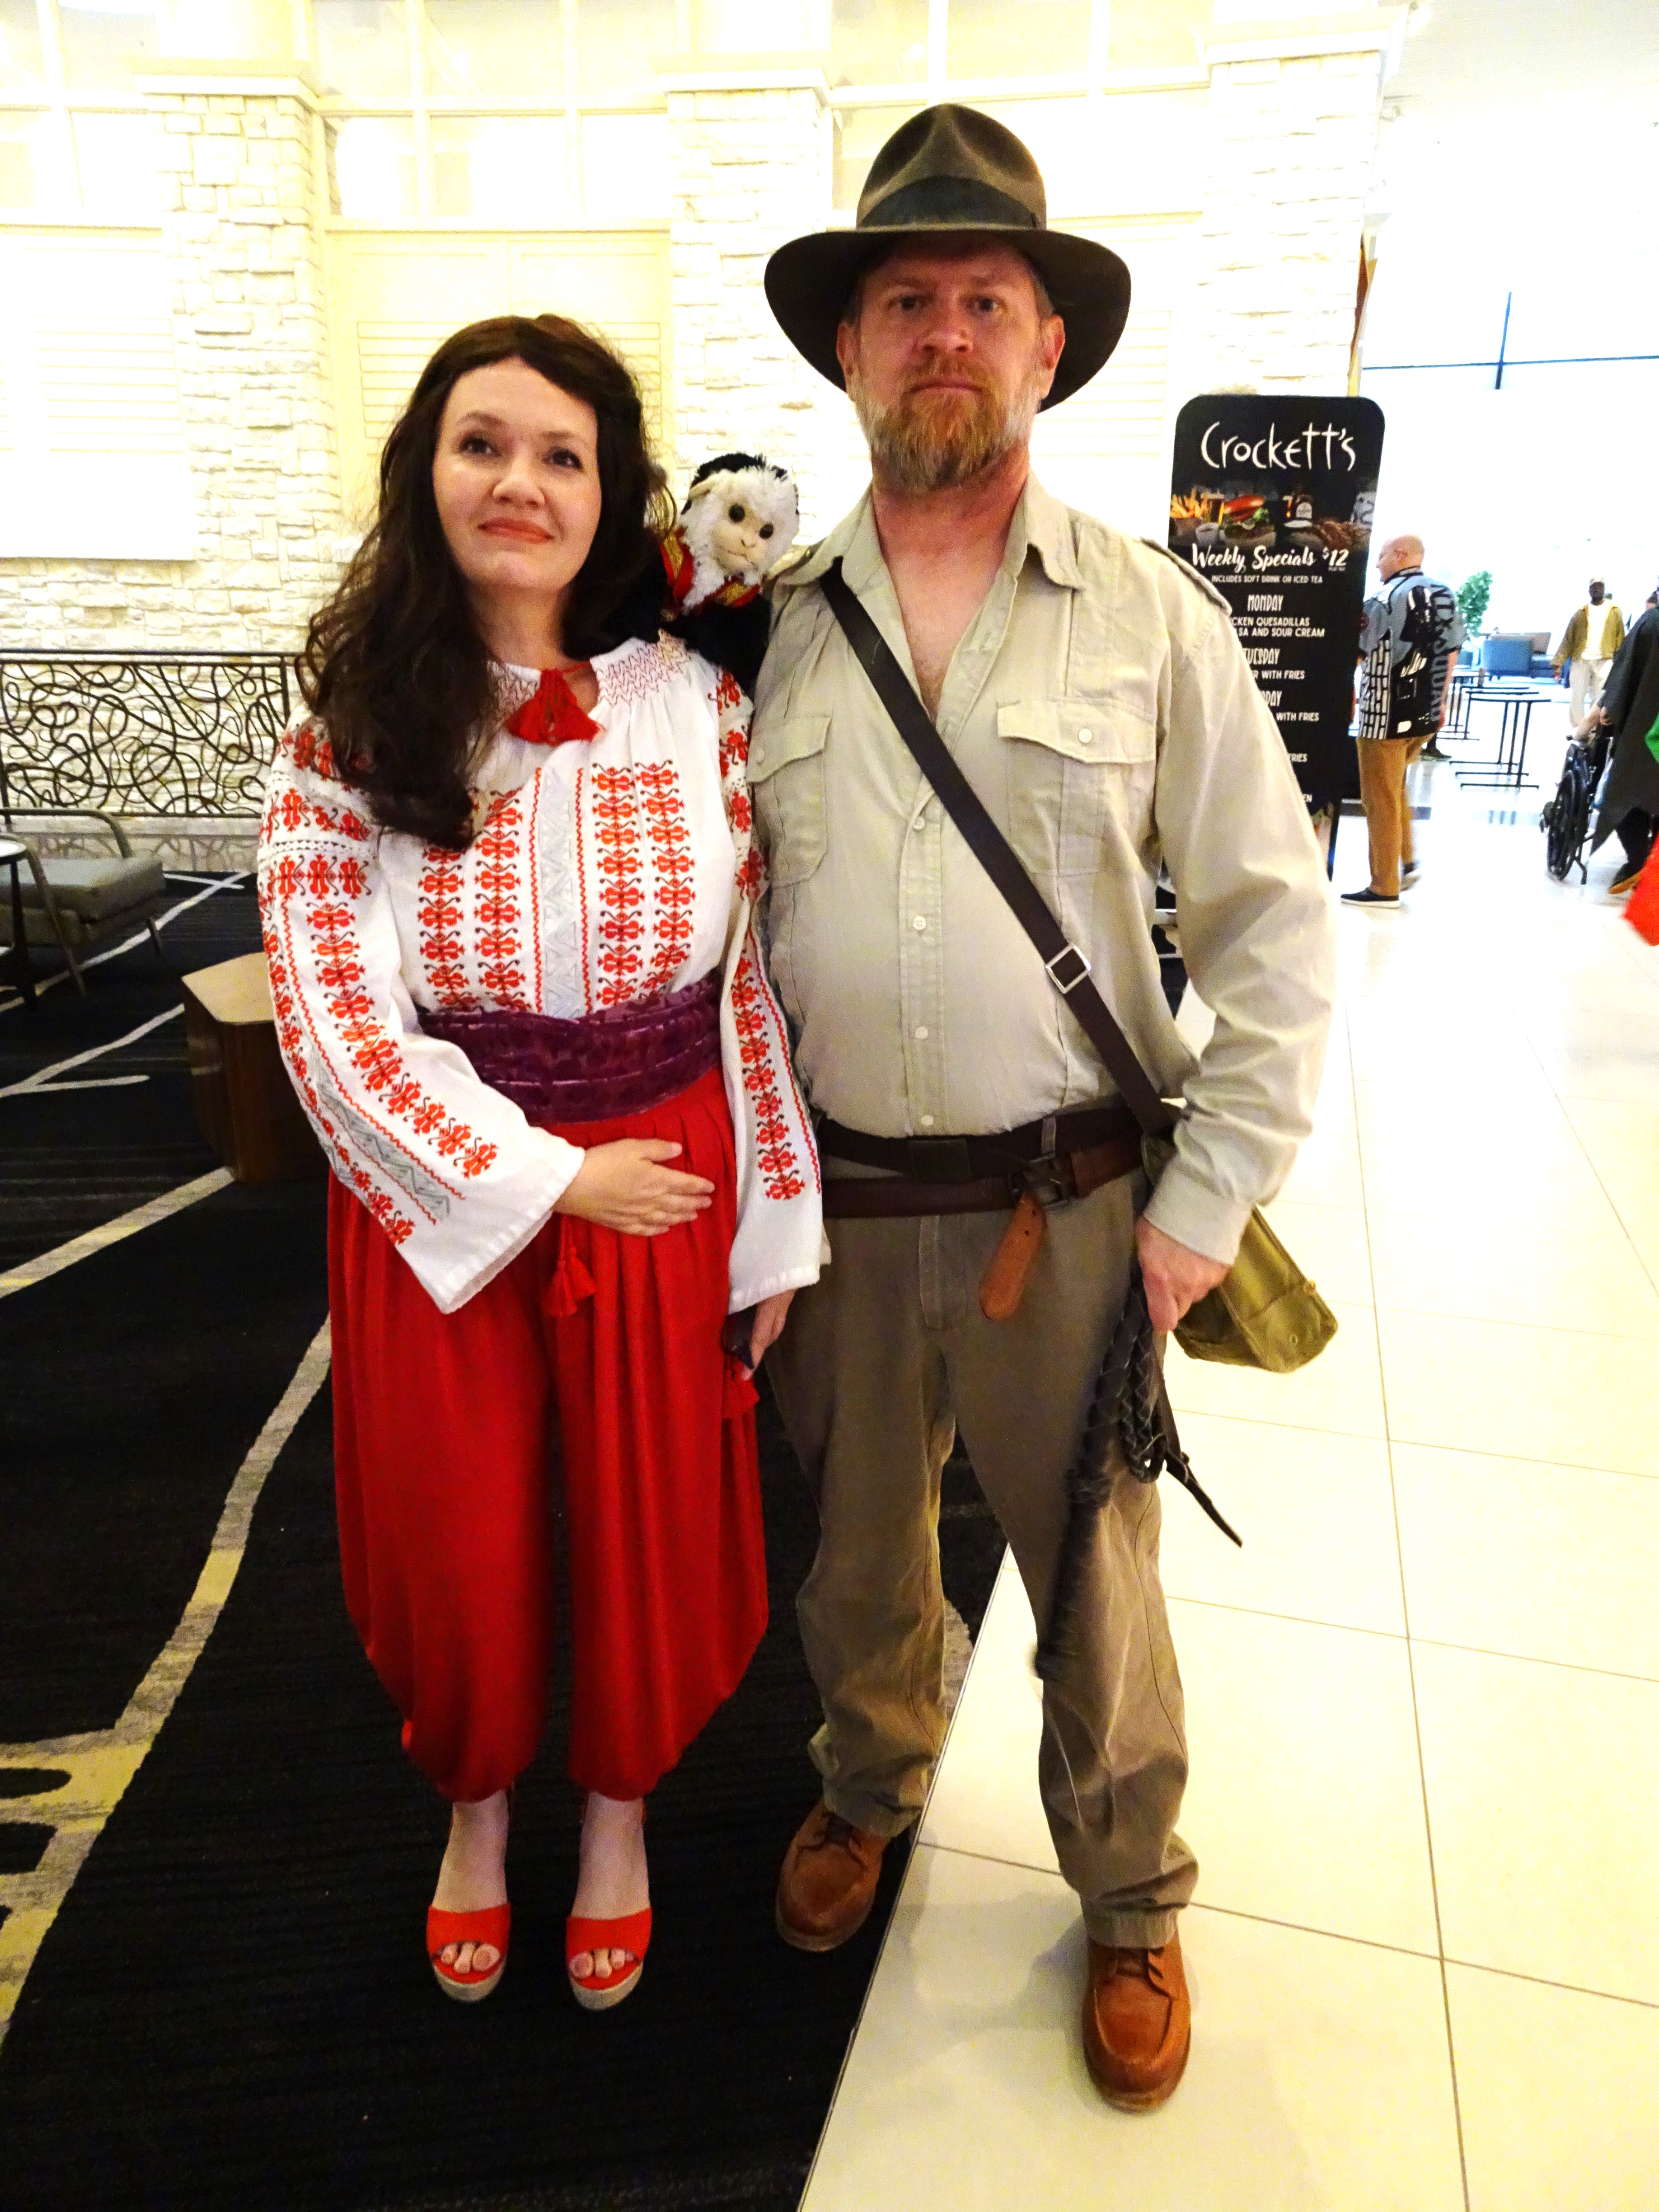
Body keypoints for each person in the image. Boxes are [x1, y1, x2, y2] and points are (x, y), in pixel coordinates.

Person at [751, 105, 1337, 2111]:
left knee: (1091, 1580)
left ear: (1046, 348)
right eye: (903, 301)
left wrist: (1200, 1204)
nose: (943, 334)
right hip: (834, 1208)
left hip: (1070, 1202)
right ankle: (867, 1781)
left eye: (982, 302)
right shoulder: (763, 627)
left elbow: (1274, 933)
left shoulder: (1150, 613)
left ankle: (1127, 1888)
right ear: (848, 350)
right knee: (853, 1556)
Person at [256, 315, 821, 2012]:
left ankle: (619, 1819)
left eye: (562, 455)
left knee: (646, 1517)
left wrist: (771, 1227)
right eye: (481, 443)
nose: (520, 482)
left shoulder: (703, 707)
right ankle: (478, 1810)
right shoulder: (352, 730)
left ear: (612, 495)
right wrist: (542, 1179)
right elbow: (329, 1011)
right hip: (447, 1188)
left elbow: (747, 982)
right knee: (461, 1528)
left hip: (673, 1166)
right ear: (424, 473)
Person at [1347, 534, 1465, 904]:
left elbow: (1358, 653)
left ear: (1400, 555)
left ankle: (1384, 886)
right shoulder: (1445, 595)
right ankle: (1407, 860)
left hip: (1384, 716)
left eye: (1382, 556)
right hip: (1425, 716)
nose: (1377, 564)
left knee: (1379, 798)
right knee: (1395, 787)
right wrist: (1441, 701)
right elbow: (1452, 652)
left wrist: (1343, 693)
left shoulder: (1383, 599)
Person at [1579, 581, 1659, 894]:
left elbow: (1625, 675)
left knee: (1625, 797)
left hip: (1647, 734)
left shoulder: (1650, 624)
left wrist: (1608, 710)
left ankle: (1639, 861)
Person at [1552, 577, 1625, 726]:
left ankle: (1592, 729)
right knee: (1577, 696)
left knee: (1599, 697)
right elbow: (1568, 639)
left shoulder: (1615, 612)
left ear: (1604, 589)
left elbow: (1620, 638)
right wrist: (1558, 663)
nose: (1596, 589)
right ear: (1589, 590)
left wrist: (1621, 661)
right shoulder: (1580, 614)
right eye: (1593, 587)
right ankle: (1578, 728)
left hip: (1605, 660)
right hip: (1582, 660)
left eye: (1599, 586)